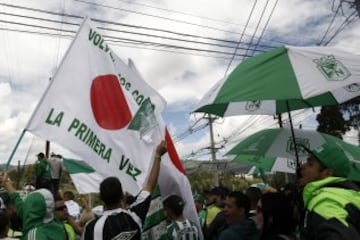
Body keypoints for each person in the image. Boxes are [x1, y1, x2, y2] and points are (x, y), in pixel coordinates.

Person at [81, 140, 167, 240]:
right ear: (122, 196)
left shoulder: (91, 227)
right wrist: (158, 155)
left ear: (101, 198)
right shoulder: (134, 217)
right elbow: (150, 186)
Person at [298, 142, 360, 240]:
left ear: (327, 173)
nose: (302, 166)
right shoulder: (345, 195)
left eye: (310, 164)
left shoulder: (326, 202)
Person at [0, 173, 67, 240]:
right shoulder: (55, 224)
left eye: (28, 202)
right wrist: (6, 184)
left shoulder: (36, 235)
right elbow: (18, 202)